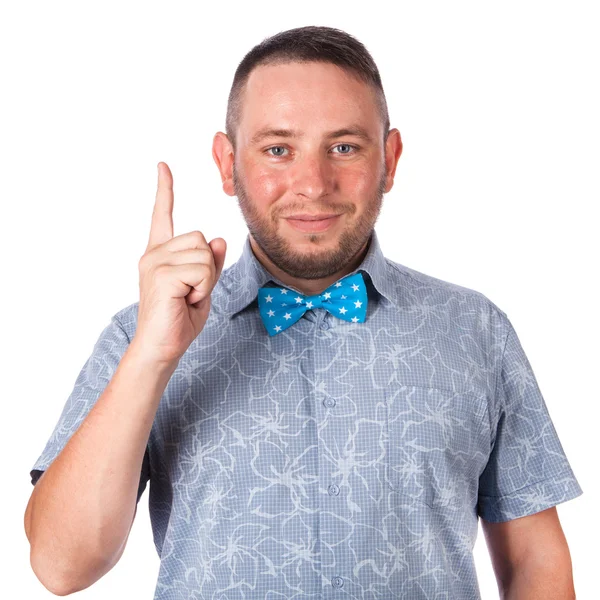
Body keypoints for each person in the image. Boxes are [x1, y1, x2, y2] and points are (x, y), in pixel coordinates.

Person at [24, 25, 583, 599]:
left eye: (344, 147)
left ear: (389, 159)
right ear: (227, 163)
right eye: (277, 150)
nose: (312, 185)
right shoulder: (138, 336)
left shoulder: (475, 331)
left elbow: (536, 563)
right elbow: (62, 567)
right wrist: (151, 357)